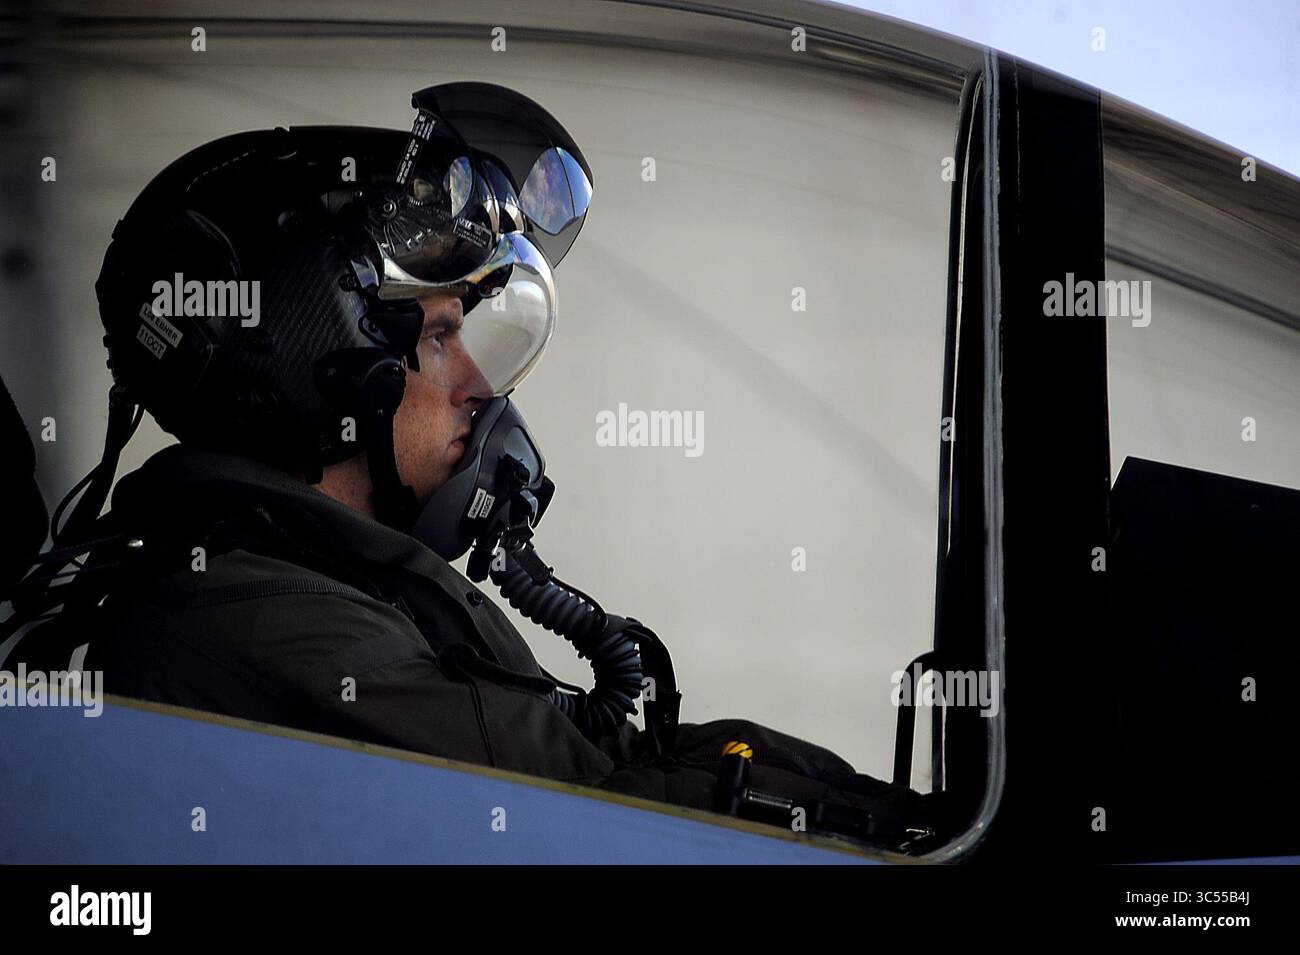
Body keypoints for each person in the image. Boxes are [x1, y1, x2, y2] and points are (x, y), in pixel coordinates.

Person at [40, 82, 941, 847]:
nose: (477, 382)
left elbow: (611, 763)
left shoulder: (335, 588)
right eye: (439, 337)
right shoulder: (245, 622)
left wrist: (885, 815)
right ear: (312, 369)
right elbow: (582, 820)